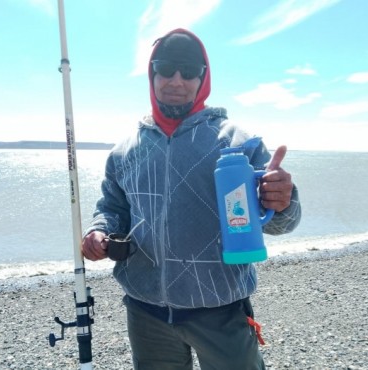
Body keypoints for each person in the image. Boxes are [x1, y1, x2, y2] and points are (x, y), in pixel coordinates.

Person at [82, 28, 301, 370]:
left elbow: (281, 223)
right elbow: (112, 208)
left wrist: (283, 199)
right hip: (146, 311)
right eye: (166, 69)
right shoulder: (125, 150)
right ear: (152, 74)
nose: (176, 80)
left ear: (204, 77)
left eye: (189, 71)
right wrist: (98, 233)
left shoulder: (236, 141)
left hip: (221, 309)